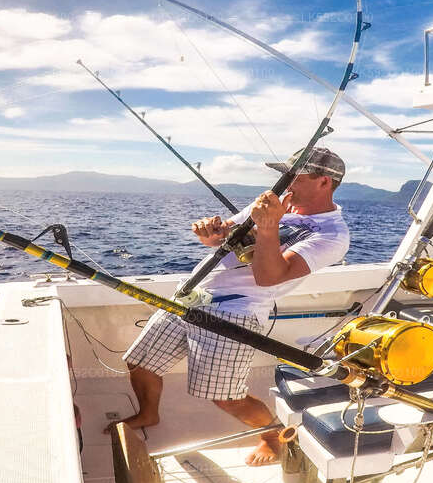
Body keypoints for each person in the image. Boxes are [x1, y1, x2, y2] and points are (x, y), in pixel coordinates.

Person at [112, 147, 351, 466]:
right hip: (192, 296)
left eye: (295, 176)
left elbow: (269, 277)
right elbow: (222, 236)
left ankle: (272, 434)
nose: (286, 181)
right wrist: (210, 233)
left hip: (235, 314)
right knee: (141, 362)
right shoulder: (271, 203)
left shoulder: (332, 235)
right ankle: (148, 414)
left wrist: (268, 227)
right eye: (284, 174)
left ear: (324, 182)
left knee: (225, 397)